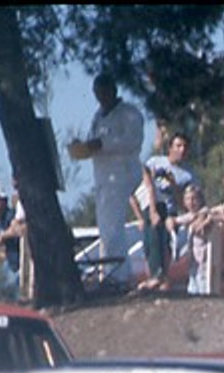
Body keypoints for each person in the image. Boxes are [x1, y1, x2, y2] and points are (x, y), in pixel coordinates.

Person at [68, 73, 144, 289]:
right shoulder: (98, 116)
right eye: (97, 93)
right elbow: (94, 143)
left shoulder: (129, 113)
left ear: (113, 90)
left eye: (104, 91)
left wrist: (102, 144)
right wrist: (84, 146)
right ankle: (109, 275)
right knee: (106, 229)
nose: (101, 97)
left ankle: (118, 277)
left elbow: (133, 141)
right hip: (102, 177)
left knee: (113, 228)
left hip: (121, 174)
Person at [133, 132, 196, 292]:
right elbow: (141, 187)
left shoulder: (188, 174)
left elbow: (186, 204)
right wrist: (139, 216)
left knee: (164, 248)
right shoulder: (155, 161)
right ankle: (153, 279)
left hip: (170, 212)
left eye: (185, 147)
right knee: (149, 246)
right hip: (150, 207)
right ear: (170, 148)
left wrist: (173, 184)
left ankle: (162, 280)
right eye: (178, 146)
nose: (182, 150)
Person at [168, 183, 212, 295]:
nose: (191, 202)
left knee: (204, 292)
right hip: (193, 263)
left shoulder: (205, 213)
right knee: (192, 292)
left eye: (194, 199)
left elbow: (203, 215)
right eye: (188, 199)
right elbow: (175, 220)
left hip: (205, 264)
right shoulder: (188, 216)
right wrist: (170, 222)